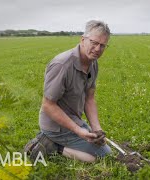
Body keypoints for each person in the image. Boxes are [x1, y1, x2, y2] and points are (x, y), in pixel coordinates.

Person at [25, 20, 111, 162]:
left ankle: (62, 141)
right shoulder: (62, 65)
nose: (97, 49)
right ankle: (51, 145)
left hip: (73, 119)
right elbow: (48, 105)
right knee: (101, 156)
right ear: (83, 40)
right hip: (55, 125)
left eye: (102, 45)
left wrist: (96, 128)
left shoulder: (93, 64)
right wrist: (78, 131)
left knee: (100, 144)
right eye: (94, 43)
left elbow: (89, 99)